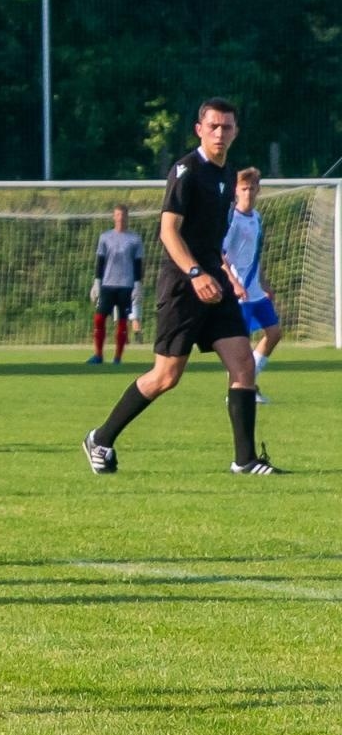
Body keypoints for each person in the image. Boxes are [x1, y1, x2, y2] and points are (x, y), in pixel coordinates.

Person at [83, 99, 283, 476]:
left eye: (227, 127)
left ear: (236, 132)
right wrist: (195, 274)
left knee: (243, 365)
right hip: (183, 285)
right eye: (213, 127)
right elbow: (168, 231)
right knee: (166, 376)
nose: (220, 133)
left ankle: (245, 460)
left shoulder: (227, 176)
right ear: (199, 130)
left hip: (215, 284)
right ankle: (101, 438)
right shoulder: (186, 171)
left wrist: (220, 274)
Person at [223, 167, 280, 403]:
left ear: (258, 190)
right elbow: (222, 256)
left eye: (252, 188)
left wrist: (265, 282)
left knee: (275, 333)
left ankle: (248, 384)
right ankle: (236, 394)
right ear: (236, 191)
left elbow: (256, 254)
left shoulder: (257, 218)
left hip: (256, 291)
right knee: (240, 347)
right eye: (244, 188)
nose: (248, 193)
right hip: (240, 294)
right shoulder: (232, 220)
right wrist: (234, 283)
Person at [88, 205, 144, 364]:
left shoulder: (135, 239)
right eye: (118, 215)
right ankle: (98, 355)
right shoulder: (105, 237)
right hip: (107, 285)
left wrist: (138, 284)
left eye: (123, 215)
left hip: (126, 286)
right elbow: (100, 260)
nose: (120, 218)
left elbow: (138, 263)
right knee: (99, 318)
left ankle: (118, 358)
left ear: (127, 217)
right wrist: (97, 282)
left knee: (122, 321)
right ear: (114, 217)